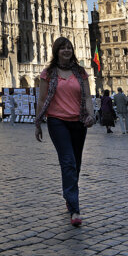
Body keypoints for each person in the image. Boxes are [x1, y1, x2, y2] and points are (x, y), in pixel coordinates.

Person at [35, 37, 95, 228]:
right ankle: (75, 208)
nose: (66, 50)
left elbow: (86, 97)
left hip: (77, 122)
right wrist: (38, 122)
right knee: (68, 161)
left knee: (75, 163)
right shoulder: (49, 73)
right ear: (56, 51)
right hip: (57, 121)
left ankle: (69, 196)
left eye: (69, 47)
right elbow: (42, 99)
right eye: (63, 48)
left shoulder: (80, 72)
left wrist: (91, 114)